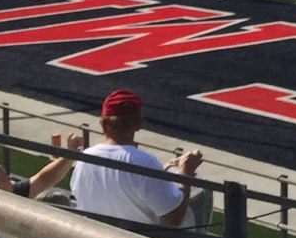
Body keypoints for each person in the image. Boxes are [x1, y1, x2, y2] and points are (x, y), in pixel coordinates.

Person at [71, 89, 208, 228]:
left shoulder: (84, 158)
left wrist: (162, 172)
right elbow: (174, 219)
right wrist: (186, 173)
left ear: (103, 124)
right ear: (138, 124)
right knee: (203, 193)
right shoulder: (145, 163)